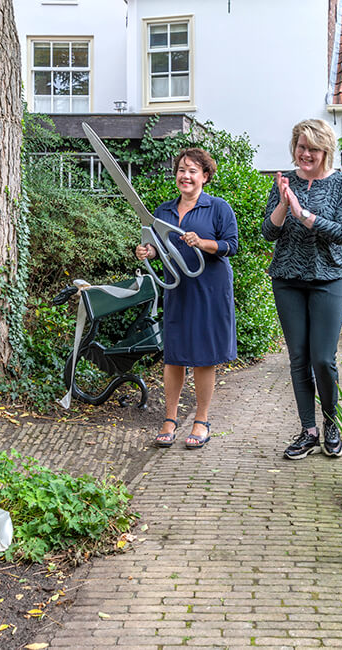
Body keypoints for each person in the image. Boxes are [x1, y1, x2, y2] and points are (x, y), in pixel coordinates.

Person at [262, 119, 342, 460]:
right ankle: (308, 431)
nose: (305, 153)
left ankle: (332, 423)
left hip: (329, 279)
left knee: (322, 358)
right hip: (287, 278)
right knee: (299, 358)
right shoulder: (284, 183)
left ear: (325, 151)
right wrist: (284, 204)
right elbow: (268, 233)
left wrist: (304, 215)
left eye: (313, 149)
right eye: (301, 147)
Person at [135, 148, 238, 450]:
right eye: (182, 169)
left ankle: (201, 420)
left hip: (210, 289)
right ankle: (170, 419)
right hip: (177, 288)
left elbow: (231, 245)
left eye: (193, 170)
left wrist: (202, 242)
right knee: (175, 354)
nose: (186, 175)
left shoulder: (218, 208)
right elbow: (155, 245)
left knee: (204, 356)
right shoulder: (163, 211)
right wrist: (147, 252)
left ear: (205, 176)